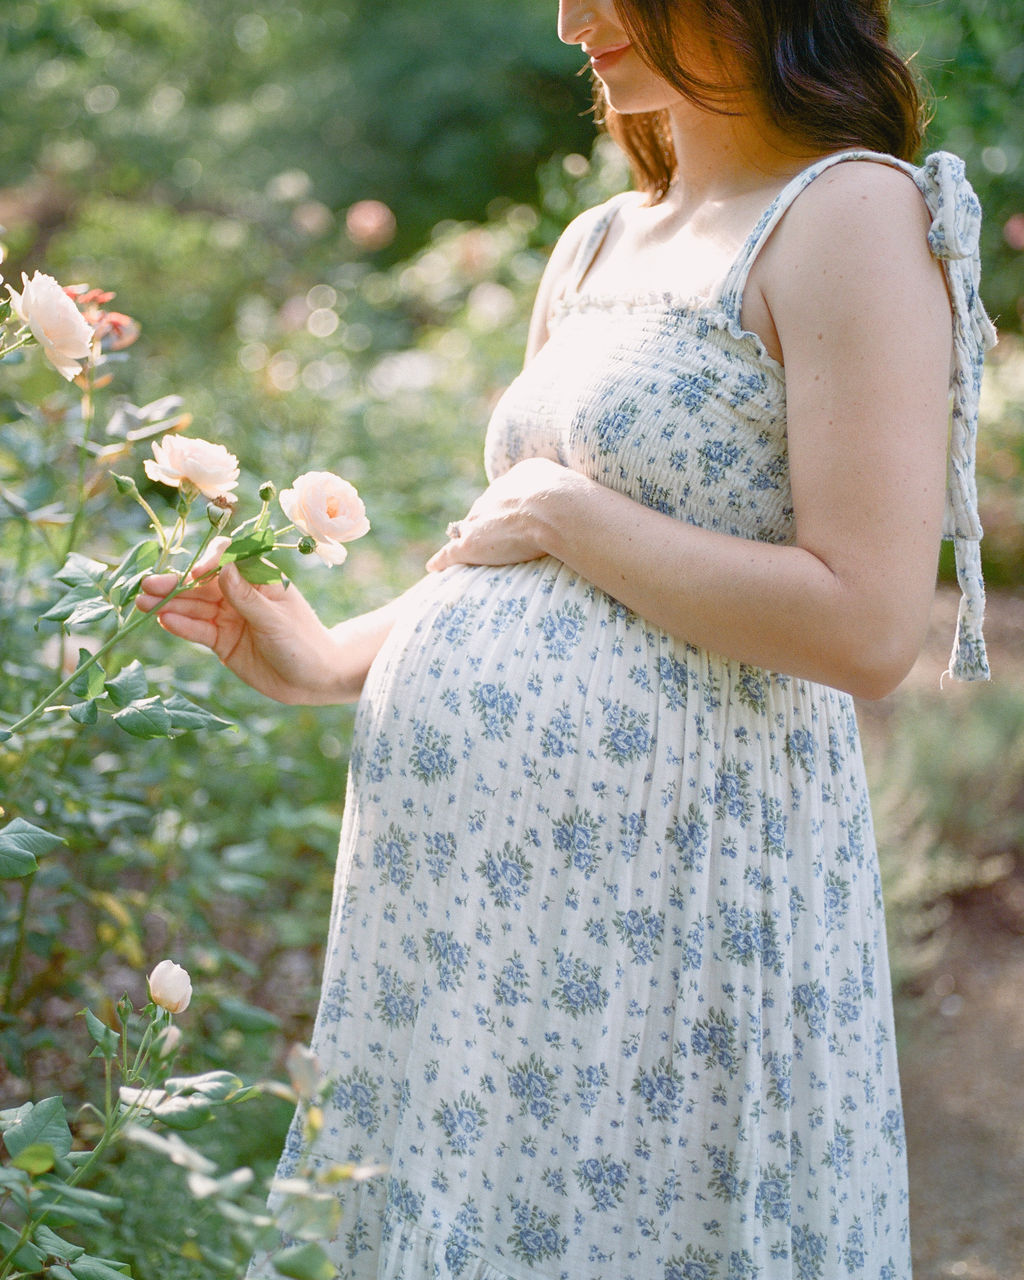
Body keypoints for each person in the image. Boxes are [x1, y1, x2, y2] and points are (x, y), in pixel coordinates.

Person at [138, 0, 995, 1275]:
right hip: (469, 925)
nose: (566, 19)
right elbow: (516, 556)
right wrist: (331, 659)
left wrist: (569, 509)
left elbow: (869, 624)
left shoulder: (850, 213)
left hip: (680, 905)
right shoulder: (599, 241)